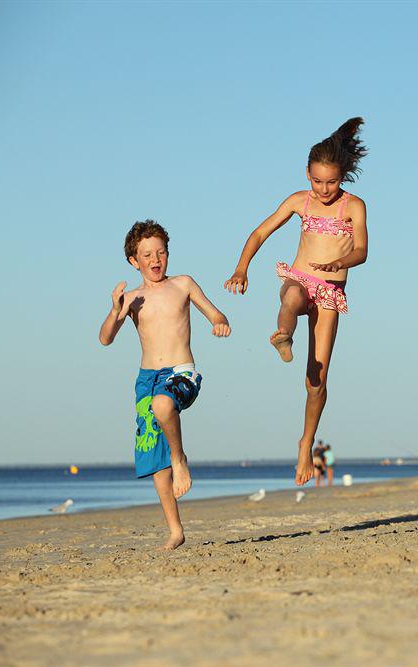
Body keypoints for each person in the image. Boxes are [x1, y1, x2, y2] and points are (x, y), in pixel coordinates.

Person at [224, 118, 368, 484]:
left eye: (331, 181)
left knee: (316, 381)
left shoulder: (353, 206)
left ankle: (306, 442)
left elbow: (363, 250)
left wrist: (341, 261)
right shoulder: (299, 201)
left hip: (331, 291)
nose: (323, 188)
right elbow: (260, 232)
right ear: (307, 174)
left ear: (343, 175)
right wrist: (242, 268)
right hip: (302, 278)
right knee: (290, 295)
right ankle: (282, 336)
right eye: (317, 180)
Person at [99, 220, 231, 550]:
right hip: (147, 378)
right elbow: (105, 338)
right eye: (147, 254)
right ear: (134, 261)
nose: (155, 259)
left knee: (163, 404)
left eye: (161, 252)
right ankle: (176, 530)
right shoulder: (131, 299)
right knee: (156, 465)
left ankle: (180, 458)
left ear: (168, 254)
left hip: (181, 372)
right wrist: (115, 309)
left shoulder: (183, 284)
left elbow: (216, 314)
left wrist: (220, 323)